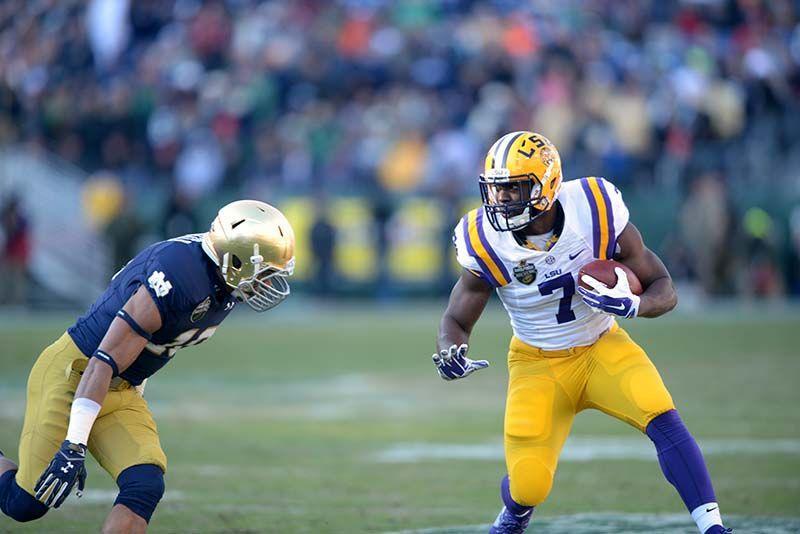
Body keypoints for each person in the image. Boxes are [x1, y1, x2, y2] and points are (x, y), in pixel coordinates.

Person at [432, 131, 731, 534]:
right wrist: (452, 350)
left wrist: (636, 306)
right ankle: (515, 512)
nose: (500, 202)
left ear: (547, 184)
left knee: (662, 416)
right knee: (530, 484)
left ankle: (713, 527)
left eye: (514, 190)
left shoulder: (594, 207)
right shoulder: (484, 238)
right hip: (537, 363)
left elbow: (663, 285)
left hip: (602, 346)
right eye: (496, 191)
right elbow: (456, 320)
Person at [0, 200, 295, 533]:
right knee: (25, 504)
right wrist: (74, 444)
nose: (268, 283)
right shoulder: (179, 276)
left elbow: (150, 349)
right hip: (76, 373)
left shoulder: (222, 284)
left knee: (145, 485)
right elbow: (103, 360)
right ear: (236, 259)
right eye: (265, 272)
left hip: (121, 387)